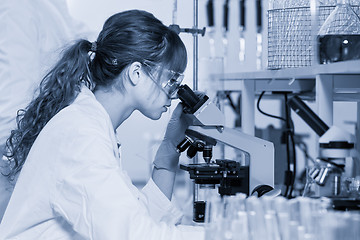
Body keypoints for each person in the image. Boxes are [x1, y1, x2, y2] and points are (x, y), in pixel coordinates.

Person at [0, 9, 204, 240]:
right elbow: (136, 235)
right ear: (136, 73)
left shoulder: (90, 124)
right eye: (172, 80)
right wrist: (227, 233)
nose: (175, 94)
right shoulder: (81, 136)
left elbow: (136, 218)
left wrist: (168, 149)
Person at [0, 0, 92, 221]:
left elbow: (83, 38)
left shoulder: (52, 6)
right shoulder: (16, 8)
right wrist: (12, 159)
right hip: (14, 154)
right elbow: (12, 97)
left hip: (30, 150)